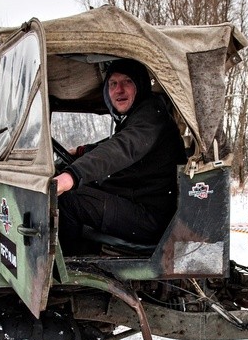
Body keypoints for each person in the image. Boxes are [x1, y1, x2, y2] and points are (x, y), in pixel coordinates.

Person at [54, 59, 186, 255]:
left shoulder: (152, 115)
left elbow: (122, 148)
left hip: (150, 217)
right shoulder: (139, 116)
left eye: (127, 82)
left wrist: (71, 176)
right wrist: (82, 151)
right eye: (113, 84)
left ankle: (72, 271)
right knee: (83, 189)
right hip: (136, 202)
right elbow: (115, 142)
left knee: (69, 200)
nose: (119, 90)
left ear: (140, 85)